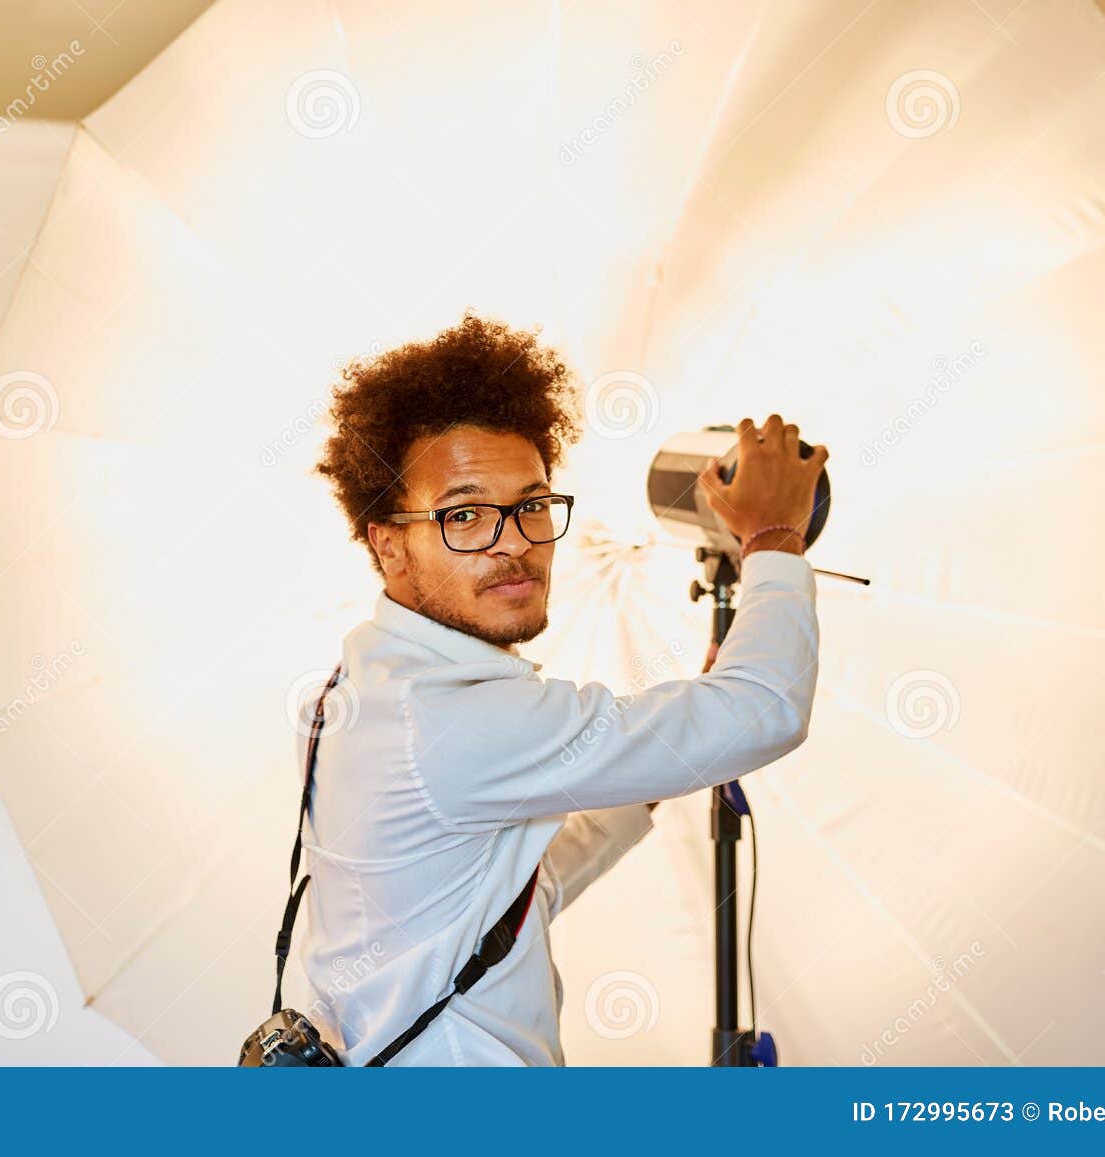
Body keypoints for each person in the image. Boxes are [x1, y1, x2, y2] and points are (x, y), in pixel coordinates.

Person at [299, 310, 827, 1065]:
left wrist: (645, 770)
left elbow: (491, 896)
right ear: (389, 545)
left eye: (533, 504)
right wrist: (774, 536)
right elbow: (765, 708)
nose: (513, 542)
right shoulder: (450, 716)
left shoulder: (359, 682)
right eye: (465, 515)